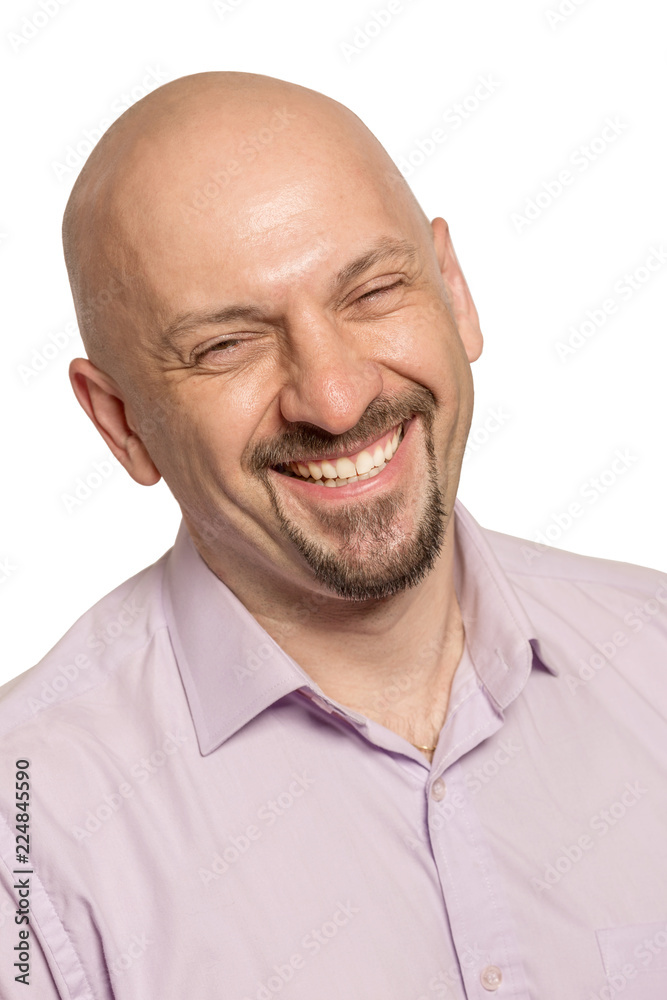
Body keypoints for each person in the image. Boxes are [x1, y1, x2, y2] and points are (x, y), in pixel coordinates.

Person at [0, 71, 665, 1000]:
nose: (338, 396)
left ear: (454, 291)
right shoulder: (22, 836)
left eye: (372, 291)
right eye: (225, 344)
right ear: (121, 422)